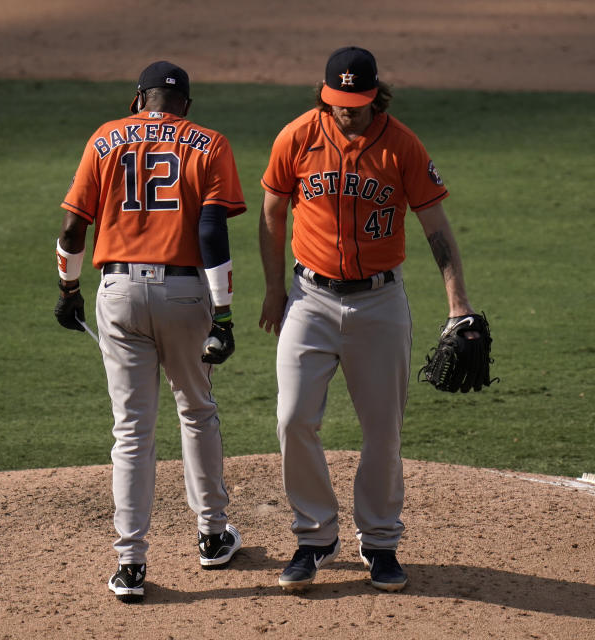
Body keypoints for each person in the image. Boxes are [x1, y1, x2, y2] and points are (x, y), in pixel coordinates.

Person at [258, 46, 481, 592]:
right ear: (324, 94)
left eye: (356, 103)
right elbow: (271, 211)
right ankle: (315, 535)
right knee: (292, 419)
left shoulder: (402, 145)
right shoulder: (297, 136)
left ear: (375, 96)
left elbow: (436, 227)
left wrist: (459, 305)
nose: (346, 112)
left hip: (380, 304)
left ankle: (380, 542)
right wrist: (272, 290)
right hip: (309, 298)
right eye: (337, 101)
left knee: (382, 431)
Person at [53, 61, 246, 603]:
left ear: (140, 98)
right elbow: (211, 230)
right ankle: (211, 536)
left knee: (132, 429)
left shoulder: (105, 137)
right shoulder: (208, 144)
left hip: (118, 295)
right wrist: (224, 316)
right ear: (186, 104)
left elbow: (72, 227)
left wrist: (68, 292)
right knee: (197, 410)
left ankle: (130, 564)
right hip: (185, 294)